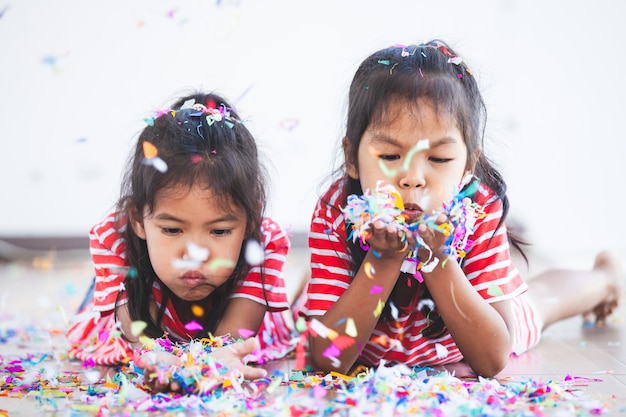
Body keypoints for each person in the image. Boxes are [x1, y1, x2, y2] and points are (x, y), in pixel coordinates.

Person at [301, 40, 623, 377]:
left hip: (470, 331)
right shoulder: (336, 209)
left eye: (438, 159)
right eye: (390, 156)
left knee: (538, 304)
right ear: (352, 157)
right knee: (315, 310)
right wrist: (383, 259)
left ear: (468, 164)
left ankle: (604, 279)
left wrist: (436, 257)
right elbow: (328, 359)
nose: (413, 178)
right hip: (367, 345)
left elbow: (492, 359)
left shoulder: (479, 207)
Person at [66, 91, 294, 388]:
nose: (195, 254)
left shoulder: (262, 244)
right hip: (138, 279)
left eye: (220, 231)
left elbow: (230, 343)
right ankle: (98, 289)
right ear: (137, 219)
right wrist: (153, 357)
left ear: (250, 221)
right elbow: (137, 341)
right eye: (173, 230)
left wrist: (217, 361)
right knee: (99, 299)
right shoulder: (116, 239)